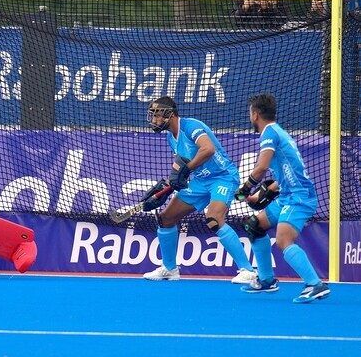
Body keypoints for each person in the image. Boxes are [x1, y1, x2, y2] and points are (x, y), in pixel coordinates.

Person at [141, 96, 256, 283]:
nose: (154, 120)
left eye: (157, 115)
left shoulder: (190, 126)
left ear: (169, 115)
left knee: (214, 218)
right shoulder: (171, 137)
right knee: (165, 218)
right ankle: (170, 269)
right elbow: (181, 165)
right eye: (152, 116)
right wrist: (170, 186)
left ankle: (248, 270)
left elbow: (207, 149)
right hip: (200, 182)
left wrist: (186, 171)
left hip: (223, 177)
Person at [236, 94, 330, 303]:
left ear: (255, 114)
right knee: (255, 225)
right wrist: (259, 194)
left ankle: (315, 284)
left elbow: (261, 168)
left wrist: (244, 189)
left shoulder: (269, 134)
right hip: (289, 195)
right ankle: (267, 280)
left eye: (250, 113)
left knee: (283, 240)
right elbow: (286, 173)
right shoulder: (279, 132)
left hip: (299, 197)